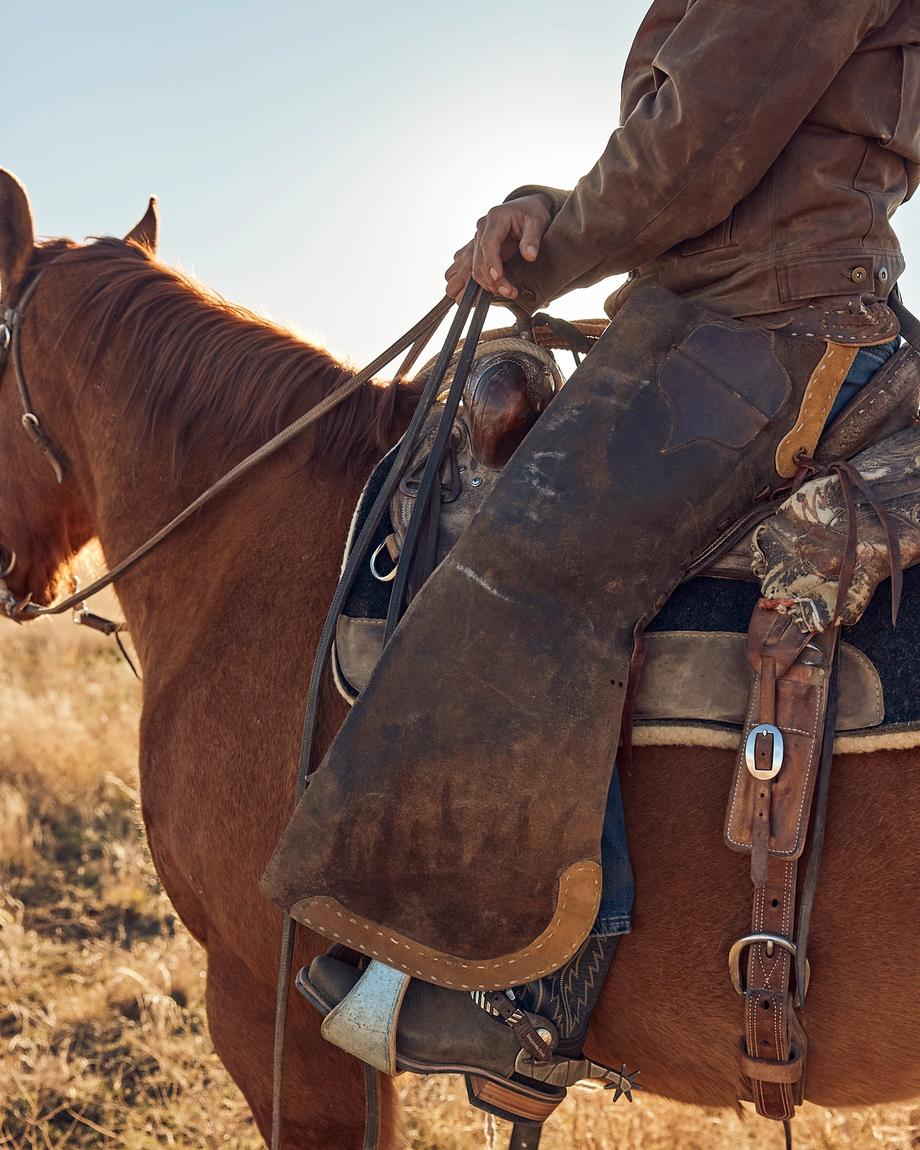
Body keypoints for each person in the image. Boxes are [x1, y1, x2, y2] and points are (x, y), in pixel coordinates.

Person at [269, 0, 916, 1113]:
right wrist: (544, 209)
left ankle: (522, 995)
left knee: (520, 565)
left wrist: (544, 251)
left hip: (760, 323)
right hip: (739, 305)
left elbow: (695, 147)